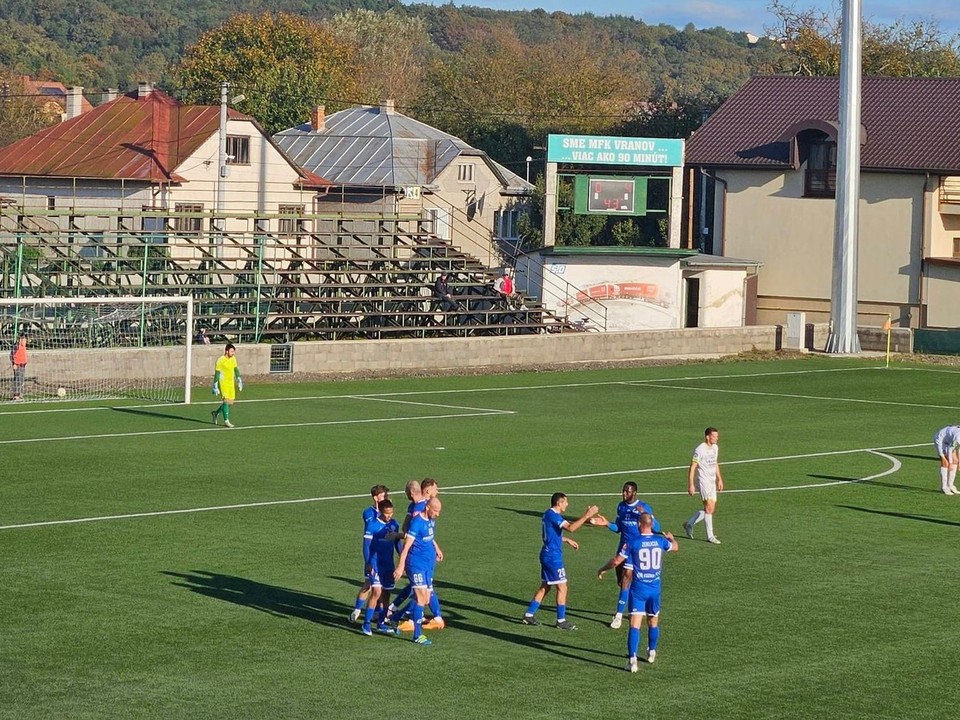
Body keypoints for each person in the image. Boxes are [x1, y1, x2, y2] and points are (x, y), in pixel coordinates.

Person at [598, 513, 678, 672]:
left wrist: (602, 569)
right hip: (655, 589)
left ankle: (633, 660)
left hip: (638, 590)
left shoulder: (633, 542)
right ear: (651, 524)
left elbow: (616, 562)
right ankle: (652, 651)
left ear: (639, 525)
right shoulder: (660, 541)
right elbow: (675, 547)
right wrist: (671, 538)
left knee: (635, 624)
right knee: (653, 622)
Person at [521, 493, 600, 630]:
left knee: (545, 586)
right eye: (566, 502)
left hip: (547, 553)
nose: (567, 504)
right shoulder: (555, 516)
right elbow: (571, 528)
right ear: (559, 502)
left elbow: (550, 535)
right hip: (553, 557)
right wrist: (587, 515)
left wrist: (565, 540)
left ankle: (529, 614)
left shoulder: (547, 514)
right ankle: (561, 620)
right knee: (562, 587)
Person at [592, 482, 661, 629]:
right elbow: (618, 528)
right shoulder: (621, 506)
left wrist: (644, 513)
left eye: (627, 492)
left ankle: (618, 616)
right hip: (623, 549)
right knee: (623, 584)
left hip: (637, 551)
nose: (624, 494)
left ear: (634, 493)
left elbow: (657, 528)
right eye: (623, 491)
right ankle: (634, 609)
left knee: (626, 579)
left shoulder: (644, 507)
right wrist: (606, 524)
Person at [394, 497, 443, 646]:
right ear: (427, 508)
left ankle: (395, 617)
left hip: (428, 563)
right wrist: (401, 566)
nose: (438, 514)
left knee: (426, 599)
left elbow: (429, 537)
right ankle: (417, 635)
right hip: (416, 564)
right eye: (435, 511)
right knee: (421, 599)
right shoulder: (416, 523)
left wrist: (436, 548)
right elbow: (407, 546)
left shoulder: (431, 520)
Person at [360, 499, 403, 636]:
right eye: (386, 513)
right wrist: (368, 563)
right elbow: (366, 546)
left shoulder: (394, 524)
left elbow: (397, 543)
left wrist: (402, 559)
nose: (389, 516)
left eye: (391, 513)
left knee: (387, 593)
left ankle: (381, 623)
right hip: (375, 563)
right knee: (376, 592)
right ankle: (366, 624)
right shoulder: (372, 525)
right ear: (381, 511)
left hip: (388, 564)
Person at [350, 485, 390, 623]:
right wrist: (368, 561)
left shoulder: (387, 512)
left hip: (383, 556)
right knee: (368, 584)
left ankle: (376, 613)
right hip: (372, 556)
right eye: (383, 496)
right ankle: (357, 610)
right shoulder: (368, 513)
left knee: (380, 587)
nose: (386, 498)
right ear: (375, 498)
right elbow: (368, 538)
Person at [683, 427, 724, 544]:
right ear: (707, 437)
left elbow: (715, 463)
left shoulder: (715, 448)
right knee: (709, 508)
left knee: (710, 509)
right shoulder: (700, 450)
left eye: (717, 436)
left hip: (712, 481)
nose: (717, 438)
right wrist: (691, 484)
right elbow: (692, 467)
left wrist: (720, 479)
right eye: (714, 436)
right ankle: (710, 536)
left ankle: (689, 524)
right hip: (703, 480)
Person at [211, 343, 242, 428]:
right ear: (226, 351)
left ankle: (215, 413)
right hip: (223, 383)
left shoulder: (233, 359)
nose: (233, 353)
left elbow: (236, 369)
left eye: (233, 351)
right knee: (225, 401)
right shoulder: (220, 360)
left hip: (231, 383)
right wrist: (215, 385)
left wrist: (239, 379)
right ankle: (226, 421)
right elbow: (217, 374)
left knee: (230, 403)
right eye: (231, 351)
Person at [933, 424, 960, 495]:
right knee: (945, 463)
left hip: (949, 442)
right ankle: (944, 487)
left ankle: (951, 485)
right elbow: (950, 449)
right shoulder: (958, 437)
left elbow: (959, 449)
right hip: (940, 440)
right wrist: (949, 461)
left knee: (956, 461)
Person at [10, 333, 27, 401]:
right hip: (18, 366)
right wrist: (14, 363)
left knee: (21, 380)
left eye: (25, 340)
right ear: (20, 340)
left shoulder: (24, 347)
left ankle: (19, 394)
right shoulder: (17, 346)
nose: (25, 342)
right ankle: (16, 395)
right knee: (17, 380)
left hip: (23, 365)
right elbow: (12, 355)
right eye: (24, 340)